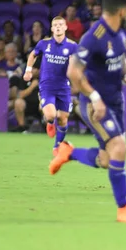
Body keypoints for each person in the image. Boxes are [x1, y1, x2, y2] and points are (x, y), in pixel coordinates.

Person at [49, 0, 126, 224]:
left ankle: (69, 152)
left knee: (106, 158)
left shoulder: (119, 34)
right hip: (95, 104)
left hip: (115, 101)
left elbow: (121, 59)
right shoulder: (94, 36)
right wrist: (94, 97)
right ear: (121, 10)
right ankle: (124, 209)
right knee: (119, 148)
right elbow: (73, 72)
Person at [23, 17, 77, 154]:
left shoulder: (73, 46)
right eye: (55, 25)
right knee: (51, 115)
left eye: (60, 25)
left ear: (65, 27)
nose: (58, 27)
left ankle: (57, 145)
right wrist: (28, 70)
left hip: (64, 87)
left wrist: (73, 64)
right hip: (47, 85)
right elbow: (33, 55)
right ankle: (50, 123)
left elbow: (78, 67)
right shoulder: (43, 43)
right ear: (52, 29)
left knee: (63, 118)